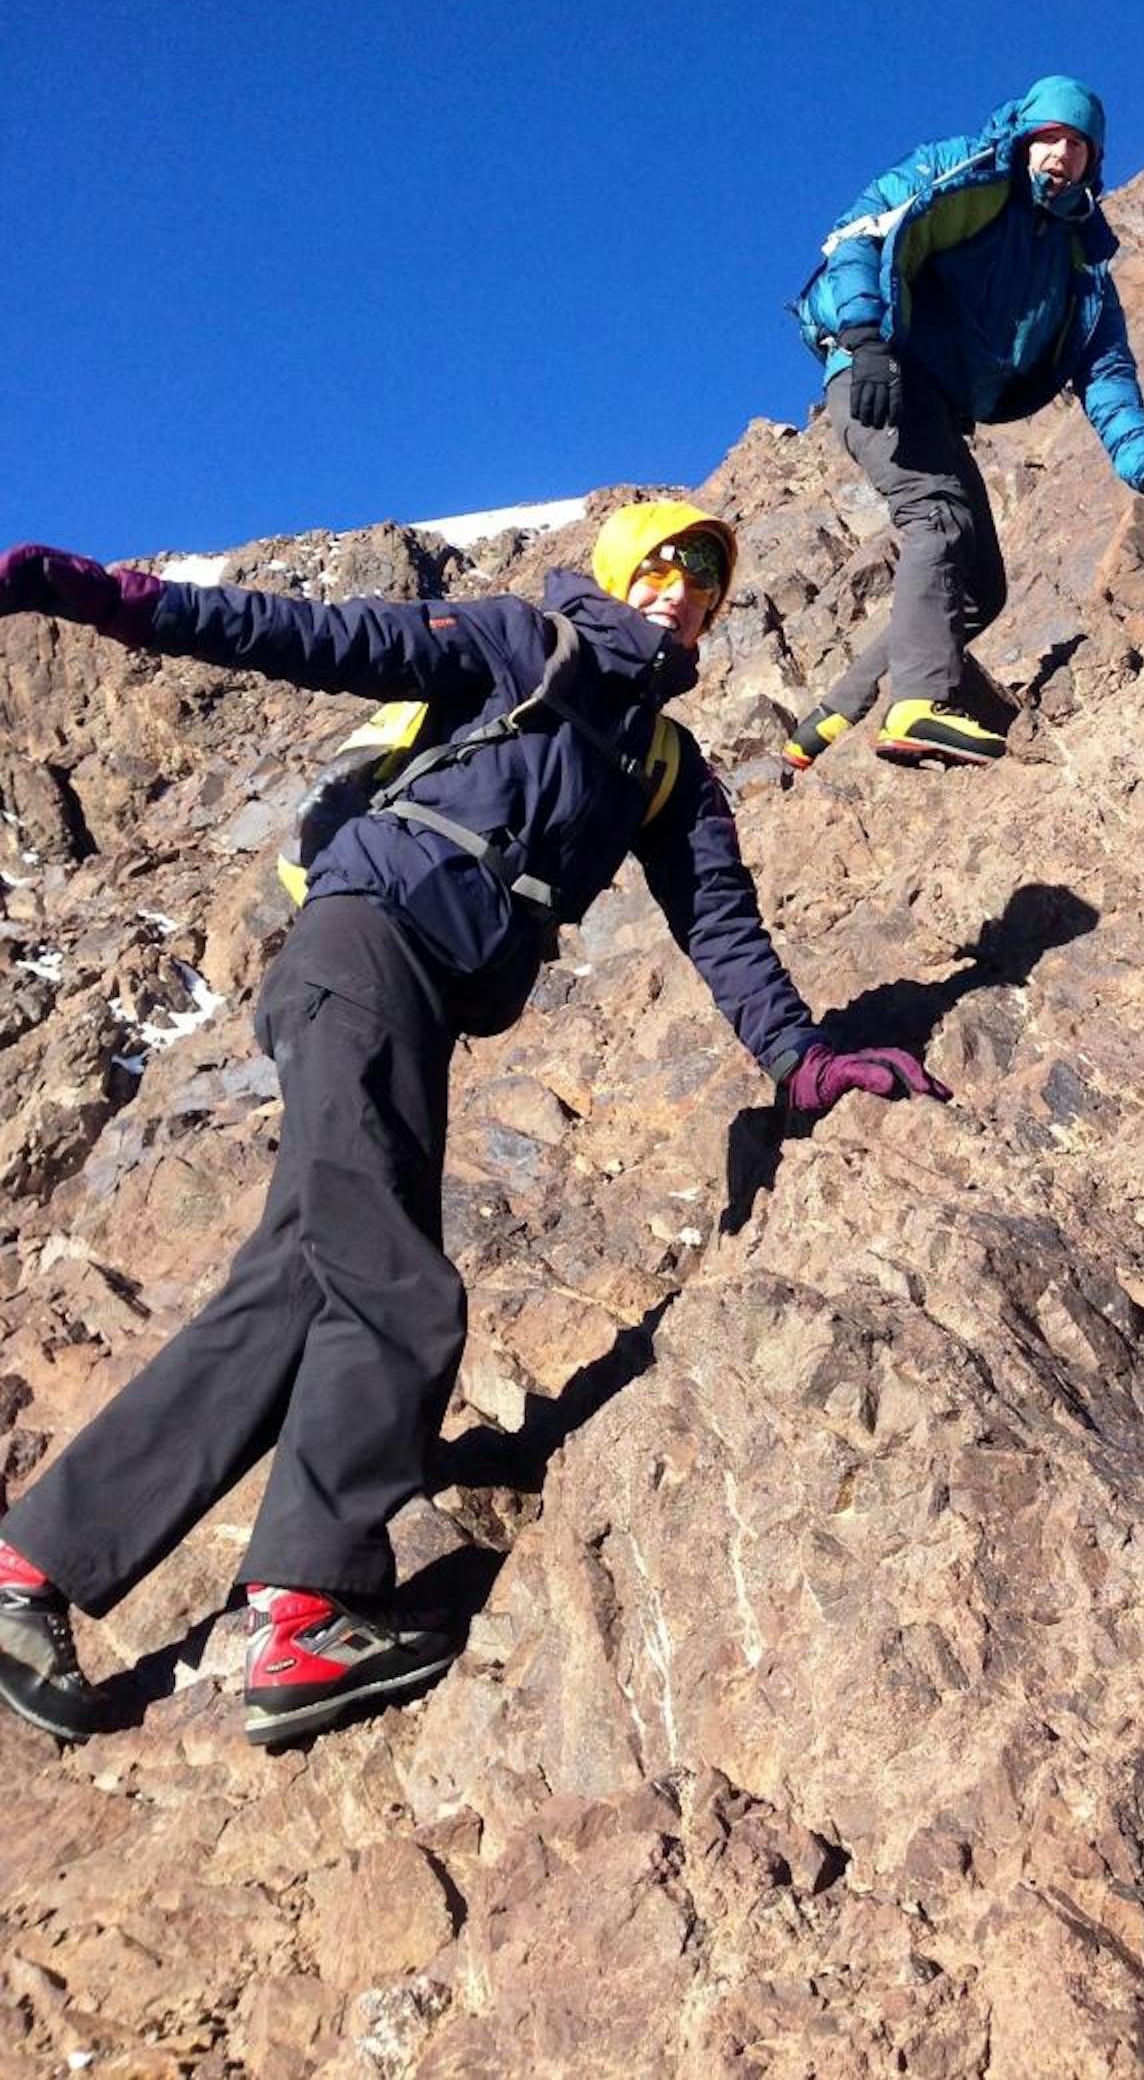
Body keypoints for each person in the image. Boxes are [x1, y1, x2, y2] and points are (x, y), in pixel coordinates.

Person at [0, 501, 945, 1748]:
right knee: (396, 1288)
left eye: (704, 582)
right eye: (663, 565)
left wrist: (800, 1057)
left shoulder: (665, 765)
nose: (681, 591)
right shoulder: (518, 640)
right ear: (619, 570)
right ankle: (304, 1607)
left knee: (292, 1291)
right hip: (361, 950)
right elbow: (321, 637)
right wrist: (126, 604)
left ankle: (31, 1569)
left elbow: (717, 920)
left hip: (414, 1002)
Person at [788, 75, 1144, 771]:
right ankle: (917, 706)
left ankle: (832, 720)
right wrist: (864, 338)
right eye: (1050, 136)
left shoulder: (1082, 267)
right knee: (938, 518)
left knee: (981, 588)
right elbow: (857, 235)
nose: (1061, 153)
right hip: (879, 372)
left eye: (1078, 144)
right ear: (1023, 137)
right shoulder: (958, 172)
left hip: (940, 407)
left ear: (1093, 163)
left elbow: (1106, 372)